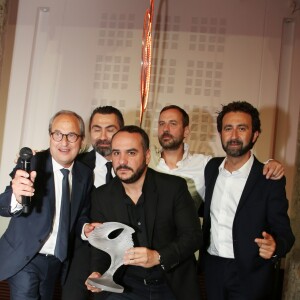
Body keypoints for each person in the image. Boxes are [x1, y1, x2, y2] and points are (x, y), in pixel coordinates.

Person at [86, 125, 202, 300]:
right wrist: (97, 273)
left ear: (147, 156)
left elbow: (193, 236)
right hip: (124, 286)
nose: (122, 161)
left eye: (131, 153)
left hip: (170, 286)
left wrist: (158, 257)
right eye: (116, 153)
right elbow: (101, 246)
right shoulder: (101, 196)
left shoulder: (174, 187)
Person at [202, 101, 295, 300]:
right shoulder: (211, 168)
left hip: (250, 275)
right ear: (220, 134)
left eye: (241, 128)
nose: (234, 136)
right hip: (212, 270)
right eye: (228, 128)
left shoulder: (268, 178)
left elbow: (286, 234)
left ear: (255, 134)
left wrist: (276, 246)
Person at [0, 110, 96, 300]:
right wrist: (17, 198)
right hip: (26, 258)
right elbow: (4, 201)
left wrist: (85, 228)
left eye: (71, 135)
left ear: (82, 140)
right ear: (50, 136)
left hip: (56, 263)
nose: (64, 142)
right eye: (58, 134)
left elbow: (80, 215)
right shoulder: (33, 162)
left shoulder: (84, 175)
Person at [150, 105, 285, 211]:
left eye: (173, 123)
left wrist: (270, 163)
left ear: (186, 131)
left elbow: (236, 162)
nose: (166, 129)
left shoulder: (205, 165)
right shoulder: (146, 160)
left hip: (184, 244)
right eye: (161, 123)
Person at [62, 106, 124, 300]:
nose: (103, 136)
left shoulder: (132, 168)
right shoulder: (74, 163)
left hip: (119, 256)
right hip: (79, 253)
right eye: (97, 129)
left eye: (110, 129)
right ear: (89, 132)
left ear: (121, 131)